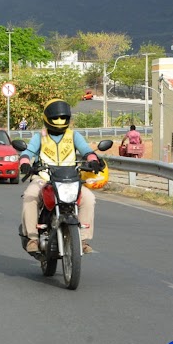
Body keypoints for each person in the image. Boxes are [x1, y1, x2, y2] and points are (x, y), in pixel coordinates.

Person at [18, 99, 103, 255]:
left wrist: (94, 161)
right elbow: (27, 152)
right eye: (56, 118)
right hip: (44, 179)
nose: (59, 121)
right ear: (47, 118)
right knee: (30, 196)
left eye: (63, 118)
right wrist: (25, 163)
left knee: (89, 198)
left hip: (70, 179)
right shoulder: (40, 137)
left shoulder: (73, 136)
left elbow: (86, 150)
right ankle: (32, 238)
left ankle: (82, 240)